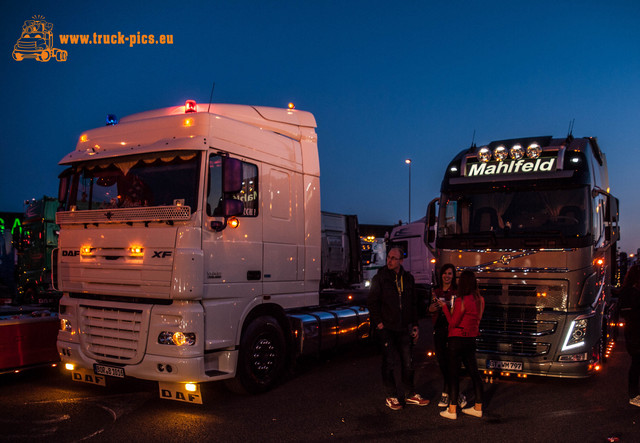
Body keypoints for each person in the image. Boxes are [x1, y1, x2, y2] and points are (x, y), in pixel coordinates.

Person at [368, 247, 430, 410]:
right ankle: (391, 395)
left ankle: (410, 394)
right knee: (389, 363)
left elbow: (413, 304)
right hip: (387, 327)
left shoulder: (408, 279)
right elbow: (372, 302)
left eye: (394, 258)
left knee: (408, 363)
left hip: (404, 327)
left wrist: (415, 325)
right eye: (388, 257)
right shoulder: (380, 278)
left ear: (401, 261)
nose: (389, 260)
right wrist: (379, 323)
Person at [438, 270, 485, 419]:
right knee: (475, 374)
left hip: (457, 340)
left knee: (454, 375)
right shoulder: (480, 300)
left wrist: (445, 308)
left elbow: (453, 323)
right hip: (471, 340)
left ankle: (452, 410)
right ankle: (478, 407)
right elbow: (477, 320)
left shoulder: (461, 300)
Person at [428, 264, 466, 409]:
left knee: (451, 363)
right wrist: (430, 309)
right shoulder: (434, 291)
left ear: (453, 276)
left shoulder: (457, 291)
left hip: (452, 330)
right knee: (442, 362)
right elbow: (428, 309)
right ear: (441, 275)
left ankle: (446, 394)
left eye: (450, 273)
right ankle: (456, 392)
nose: (447, 276)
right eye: (445, 273)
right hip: (438, 329)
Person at [618, 264, 640, 408]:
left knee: (637, 363)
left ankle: (634, 394)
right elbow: (624, 311)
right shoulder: (629, 292)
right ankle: (633, 395)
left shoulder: (630, 291)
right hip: (635, 332)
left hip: (634, 331)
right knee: (637, 363)